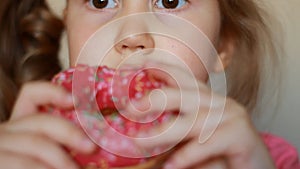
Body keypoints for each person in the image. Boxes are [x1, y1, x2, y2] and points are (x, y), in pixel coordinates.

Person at [0, 0, 299, 169]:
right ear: (68, 30)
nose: (132, 35)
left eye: (171, 1)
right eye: (101, 1)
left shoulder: (261, 158)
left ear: (221, 46)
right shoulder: (33, 158)